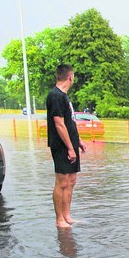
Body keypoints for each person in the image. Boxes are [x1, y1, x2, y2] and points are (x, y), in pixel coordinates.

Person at [47, 64, 87, 228]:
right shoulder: (55, 96)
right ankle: (59, 219)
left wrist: (78, 141)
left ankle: (67, 216)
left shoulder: (64, 96)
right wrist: (70, 148)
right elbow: (59, 124)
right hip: (61, 146)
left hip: (71, 143)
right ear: (70, 77)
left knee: (71, 181)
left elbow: (69, 122)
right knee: (62, 182)